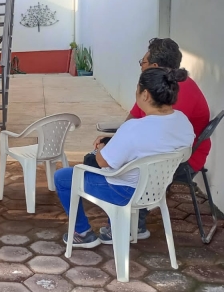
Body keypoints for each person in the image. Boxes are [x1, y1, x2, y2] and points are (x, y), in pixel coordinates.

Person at [55, 68, 195, 248]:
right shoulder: (183, 122)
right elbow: (165, 149)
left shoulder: (133, 128)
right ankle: (116, 229)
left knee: (63, 177)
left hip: (124, 193)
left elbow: (102, 162)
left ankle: (82, 233)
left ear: (145, 94)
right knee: (122, 167)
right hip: (155, 191)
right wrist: (115, 142)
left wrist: (102, 148)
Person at [92, 38, 211, 242]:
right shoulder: (159, 86)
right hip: (166, 151)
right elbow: (134, 117)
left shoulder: (177, 92)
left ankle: (132, 223)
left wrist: (116, 148)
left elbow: (156, 144)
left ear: (155, 66)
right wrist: (116, 139)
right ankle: (122, 214)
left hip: (180, 160)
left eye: (143, 62)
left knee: (119, 164)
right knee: (108, 156)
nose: (141, 66)